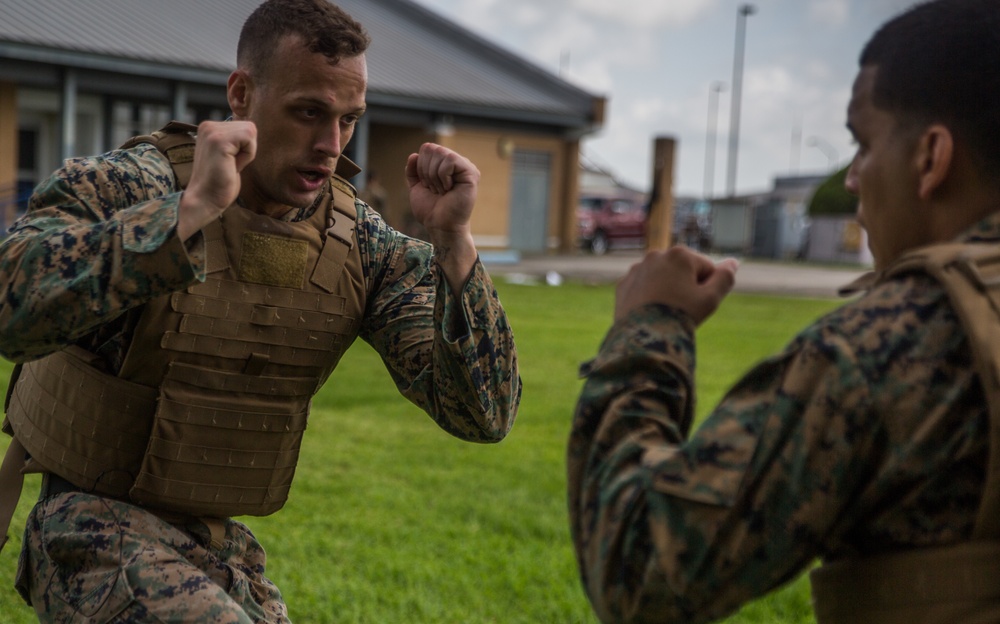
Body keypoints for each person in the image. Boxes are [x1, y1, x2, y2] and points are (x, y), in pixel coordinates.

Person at [0, 0, 520, 621]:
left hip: (218, 545)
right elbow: (11, 300)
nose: (330, 146)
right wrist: (186, 215)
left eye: (348, 120)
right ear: (242, 94)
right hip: (87, 528)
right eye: (308, 113)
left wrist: (454, 245)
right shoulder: (141, 181)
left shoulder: (361, 243)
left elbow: (482, 414)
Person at [568, 0, 1000, 622]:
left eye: (863, 143)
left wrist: (649, 327)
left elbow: (639, 568)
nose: (852, 178)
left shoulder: (883, 350)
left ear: (931, 158)